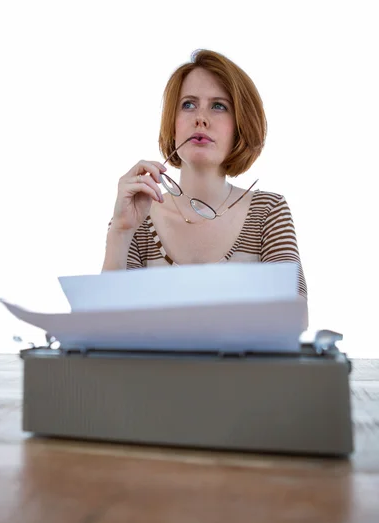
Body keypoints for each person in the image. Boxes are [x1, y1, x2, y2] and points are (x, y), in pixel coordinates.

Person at [102, 49, 308, 326]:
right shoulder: (138, 214)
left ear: (240, 126)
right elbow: (107, 326)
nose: (200, 118)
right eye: (188, 104)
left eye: (218, 106)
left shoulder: (268, 211)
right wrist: (120, 230)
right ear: (172, 125)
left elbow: (294, 319)